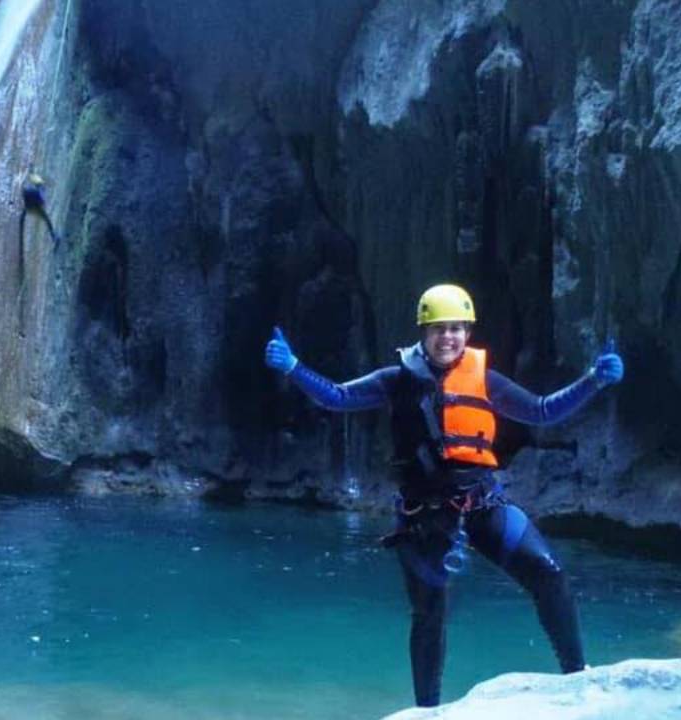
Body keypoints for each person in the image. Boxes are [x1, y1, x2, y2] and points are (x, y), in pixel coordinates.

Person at [264, 283, 624, 707]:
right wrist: (293, 368)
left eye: (455, 329)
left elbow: (542, 410)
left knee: (549, 575)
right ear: (424, 332)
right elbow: (339, 397)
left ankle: (576, 676)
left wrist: (593, 381)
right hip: (424, 518)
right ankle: (429, 711)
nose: (447, 337)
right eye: (438, 329)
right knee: (430, 613)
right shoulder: (396, 379)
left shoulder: (484, 378)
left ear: (467, 333)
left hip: (482, 503)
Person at [20, 171, 61, 245]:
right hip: (32, 203)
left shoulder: (35, 189)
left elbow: (27, 192)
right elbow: (40, 201)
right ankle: (53, 236)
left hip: (30, 201)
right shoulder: (40, 192)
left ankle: (53, 236)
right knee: (46, 218)